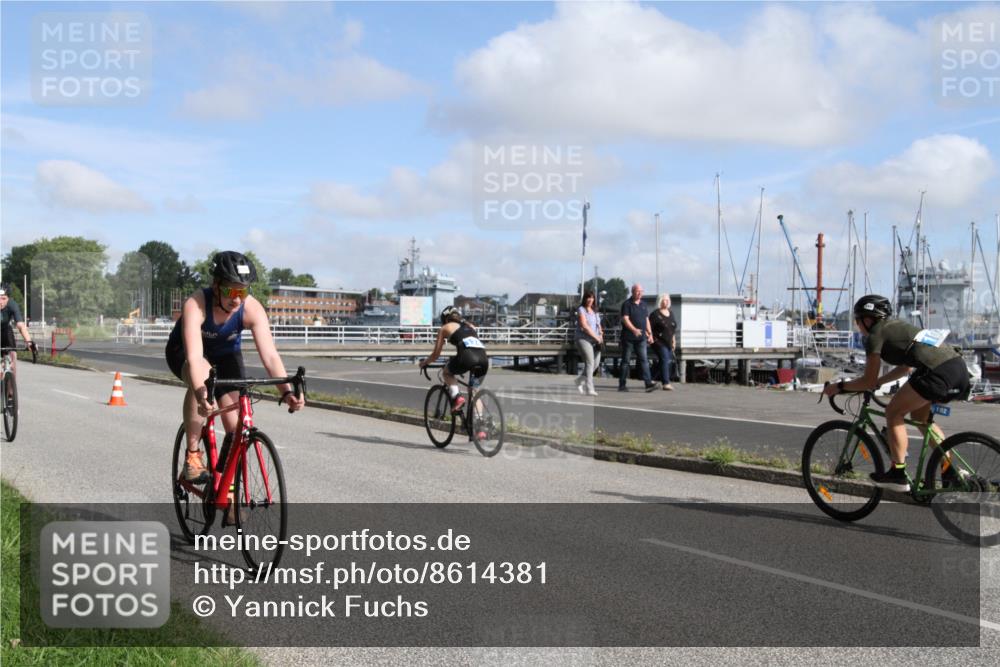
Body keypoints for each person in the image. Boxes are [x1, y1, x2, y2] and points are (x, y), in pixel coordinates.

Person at [165, 251, 305, 483]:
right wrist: (202, 395)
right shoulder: (196, 304)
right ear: (216, 285)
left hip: (225, 354)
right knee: (200, 378)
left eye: (242, 291)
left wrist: (287, 391)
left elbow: (270, 356)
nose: (236, 299)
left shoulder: (251, 308)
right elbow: (194, 356)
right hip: (185, 353)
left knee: (235, 428)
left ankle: (225, 486)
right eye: (231, 291)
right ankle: (192, 456)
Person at [823, 295, 970, 491]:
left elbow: (867, 380)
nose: (858, 326)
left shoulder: (876, 334)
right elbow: (904, 368)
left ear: (868, 319)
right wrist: (879, 383)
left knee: (893, 412)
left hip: (936, 371)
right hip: (957, 367)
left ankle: (898, 473)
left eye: (857, 321)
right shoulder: (897, 326)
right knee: (920, 418)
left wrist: (839, 387)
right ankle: (949, 471)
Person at [420, 305, 489, 413]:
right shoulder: (470, 326)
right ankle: (479, 426)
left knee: (446, 372)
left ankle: (457, 398)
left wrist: (424, 363)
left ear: (446, 319)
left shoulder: (445, 328)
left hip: (467, 358)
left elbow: (435, 355)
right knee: (475, 390)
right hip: (483, 359)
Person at [618, 283, 660, 392]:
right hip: (628, 338)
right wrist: (634, 330)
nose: (640, 293)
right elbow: (625, 319)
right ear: (632, 292)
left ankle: (648, 383)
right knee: (626, 361)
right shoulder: (627, 304)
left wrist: (650, 334)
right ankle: (622, 385)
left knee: (644, 360)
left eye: (641, 291)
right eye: (637, 291)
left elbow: (646, 320)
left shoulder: (643, 304)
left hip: (641, 338)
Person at [0, 284, 38, 378]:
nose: (0, 302)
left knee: (13, 355)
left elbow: (20, 325)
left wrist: (29, 342)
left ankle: (11, 390)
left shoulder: (12, 305)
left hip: (5, 331)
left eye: (3, 298)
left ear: (8, 298)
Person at [574, 289, 603, 396]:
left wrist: (600, 334)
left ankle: (579, 381)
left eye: (592, 297)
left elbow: (599, 326)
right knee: (590, 362)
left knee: (595, 364)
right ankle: (589, 389)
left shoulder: (595, 311)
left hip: (595, 340)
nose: (590, 300)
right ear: (585, 299)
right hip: (583, 339)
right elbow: (585, 326)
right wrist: (596, 337)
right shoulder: (581, 310)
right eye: (588, 297)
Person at [649, 293, 677, 391]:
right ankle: (666, 383)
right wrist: (650, 337)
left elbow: (672, 328)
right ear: (660, 301)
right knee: (665, 358)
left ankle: (650, 378)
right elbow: (649, 327)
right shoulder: (655, 314)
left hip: (668, 341)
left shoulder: (671, 313)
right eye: (664, 300)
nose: (666, 301)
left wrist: (674, 340)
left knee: (663, 361)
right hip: (658, 341)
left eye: (667, 300)